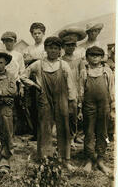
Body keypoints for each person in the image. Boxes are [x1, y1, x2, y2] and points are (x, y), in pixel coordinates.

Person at [21, 36, 77, 170]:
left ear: (60, 51)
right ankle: (45, 159)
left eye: (56, 48)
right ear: (46, 49)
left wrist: (71, 101)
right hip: (44, 99)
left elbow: (70, 85)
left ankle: (65, 159)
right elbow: (23, 76)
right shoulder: (38, 64)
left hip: (61, 99)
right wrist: (34, 85)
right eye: (51, 48)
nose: (53, 51)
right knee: (44, 127)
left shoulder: (64, 65)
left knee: (64, 127)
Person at [79, 46, 114, 175]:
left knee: (102, 132)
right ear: (87, 57)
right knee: (88, 132)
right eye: (91, 55)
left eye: (97, 55)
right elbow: (81, 91)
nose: (94, 57)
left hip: (104, 105)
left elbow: (111, 89)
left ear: (102, 57)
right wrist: (79, 109)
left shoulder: (107, 71)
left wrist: (112, 108)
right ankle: (89, 159)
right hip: (88, 105)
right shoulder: (85, 71)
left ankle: (100, 160)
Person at [22, 22, 47, 140]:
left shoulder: (46, 47)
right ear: (31, 35)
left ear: (43, 33)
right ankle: (35, 133)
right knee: (31, 105)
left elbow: (46, 60)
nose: (37, 35)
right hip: (31, 77)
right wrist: (35, 59)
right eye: (34, 33)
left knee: (42, 105)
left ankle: (44, 132)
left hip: (43, 76)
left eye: (39, 33)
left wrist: (33, 59)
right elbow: (25, 60)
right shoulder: (29, 48)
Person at [61, 36, 85, 146]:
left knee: (76, 113)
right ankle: (67, 137)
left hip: (76, 89)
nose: (70, 47)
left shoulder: (79, 60)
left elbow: (82, 76)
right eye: (68, 45)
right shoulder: (60, 60)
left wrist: (81, 90)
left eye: (72, 45)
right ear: (63, 47)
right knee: (66, 114)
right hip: (64, 90)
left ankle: (76, 135)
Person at [0, 31, 26, 135]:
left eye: (10, 41)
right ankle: (4, 132)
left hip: (15, 83)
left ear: (15, 41)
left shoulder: (18, 55)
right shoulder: (1, 54)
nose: (8, 43)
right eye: (6, 41)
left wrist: (21, 87)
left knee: (16, 108)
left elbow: (22, 71)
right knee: (4, 108)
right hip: (3, 83)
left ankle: (14, 132)